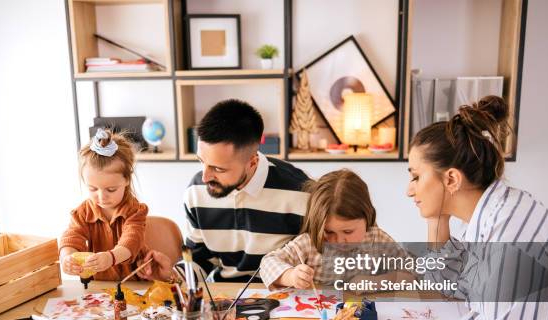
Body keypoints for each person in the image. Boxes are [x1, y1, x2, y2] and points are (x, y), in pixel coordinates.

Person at [407, 95, 548, 320]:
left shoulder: (511, 239)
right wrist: (437, 217)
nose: (409, 191)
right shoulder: (491, 215)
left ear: (451, 180)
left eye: (416, 177)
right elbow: (443, 281)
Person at [142, 99, 309, 282]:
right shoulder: (196, 191)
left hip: (283, 298)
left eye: (218, 169)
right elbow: (200, 260)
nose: (205, 177)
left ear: (252, 162)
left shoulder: (301, 193)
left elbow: (315, 261)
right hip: (224, 298)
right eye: (201, 161)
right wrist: (172, 275)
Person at [260, 169, 402, 290]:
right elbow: (267, 263)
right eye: (329, 232)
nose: (339, 241)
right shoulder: (309, 243)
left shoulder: (377, 239)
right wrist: (290, 276)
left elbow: (411, 273)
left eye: (348, 232)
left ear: (367, 217)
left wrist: (374, 283)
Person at [59, 128, 149, 281]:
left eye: (111, 189)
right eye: (93, 189)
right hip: (99, 288)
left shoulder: (135, 211)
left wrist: (111, 257)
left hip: (135, 284)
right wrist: (67, 257)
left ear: (126, 180)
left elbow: (131, 241)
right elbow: (71, 236)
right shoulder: (83, 212)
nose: (101, 197)